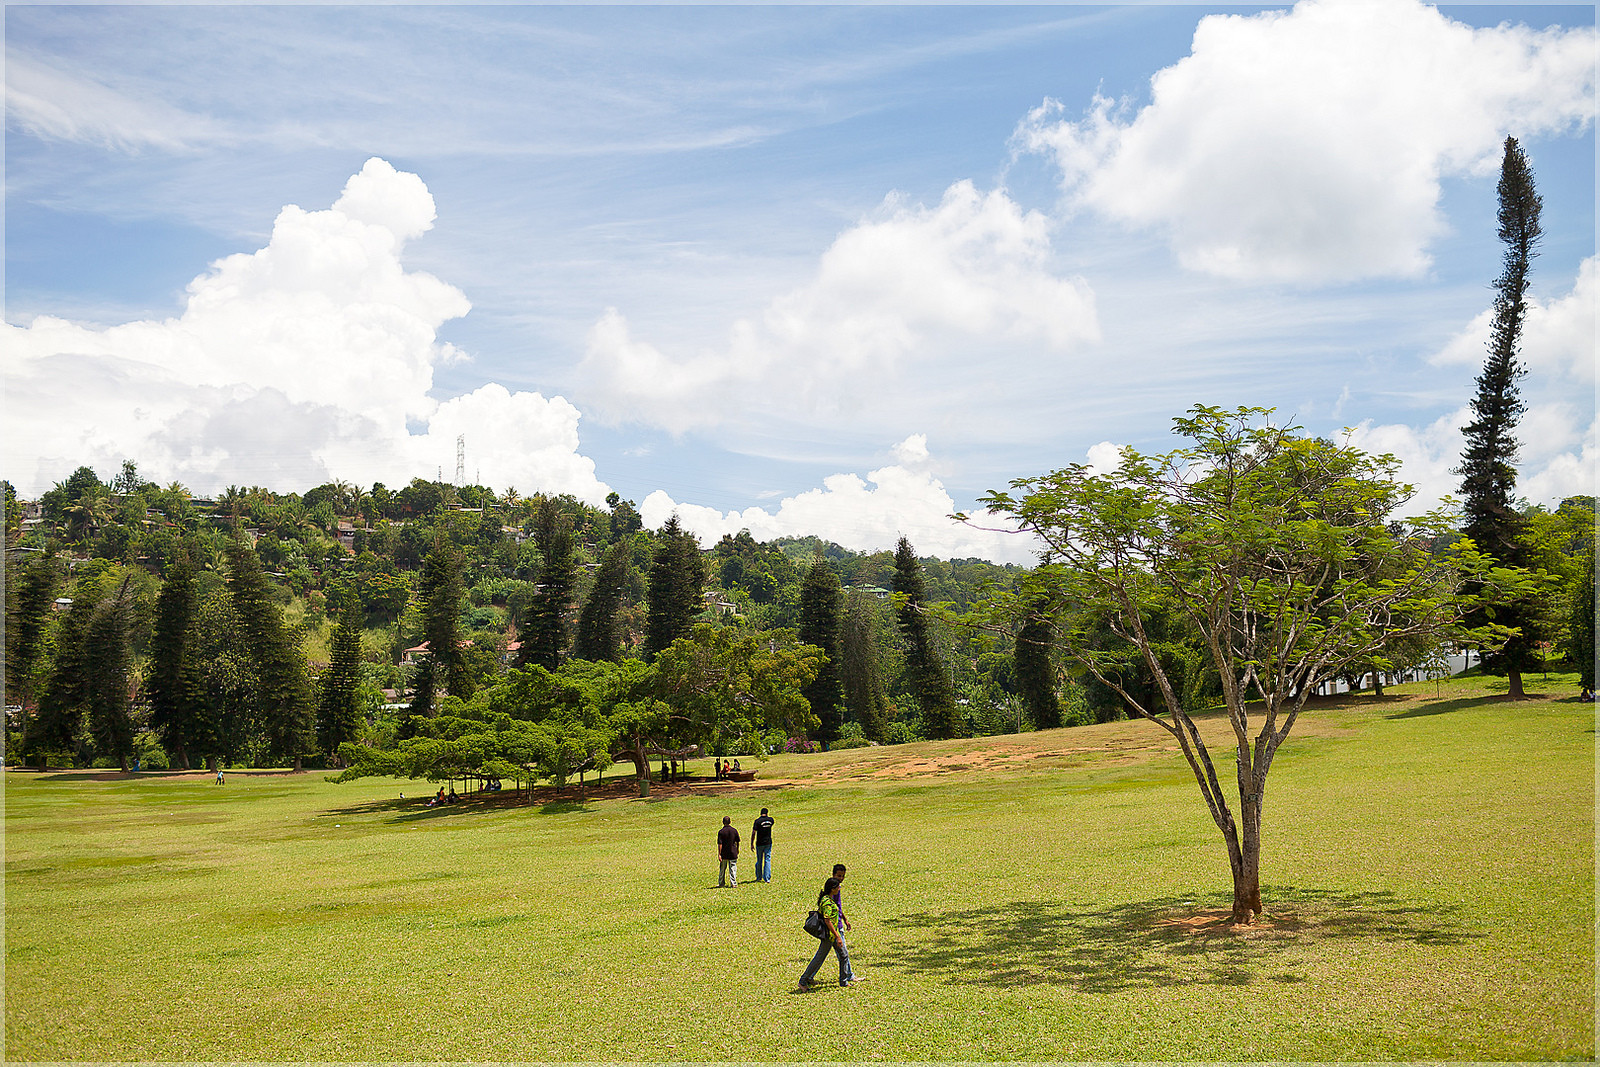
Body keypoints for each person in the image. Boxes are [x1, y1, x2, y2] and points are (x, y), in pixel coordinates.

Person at [798, 876, 855, 990]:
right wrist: (837, 936)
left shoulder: (828, 899)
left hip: (832, 935)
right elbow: (827, 920)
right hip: (830, 936)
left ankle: (843, 981)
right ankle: (803, 981)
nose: (839, 888)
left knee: (844, 956)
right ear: (832, 888)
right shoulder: (827, 902)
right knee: (819, 958)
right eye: (838, 886)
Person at [752, 807, 775, 883]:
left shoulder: (757, 821)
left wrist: (751, 843)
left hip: (759, 843)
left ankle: (759, 877)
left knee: (759, 860)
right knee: (767, 860)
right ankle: (767, 878)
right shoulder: (771, 820)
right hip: (768, 842)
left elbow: (754, 832)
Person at [716, 815, 740, 887]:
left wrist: (719, 854)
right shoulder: (734, 830)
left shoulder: (721, 832)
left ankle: (721, 883)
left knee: (722, 869)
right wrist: (737, 849)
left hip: (724, 853)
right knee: (733, 868)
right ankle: (733, 883)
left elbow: (720, 844)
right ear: (730, 822)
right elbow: (737, 841)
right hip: (733, 852)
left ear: (723, 822)